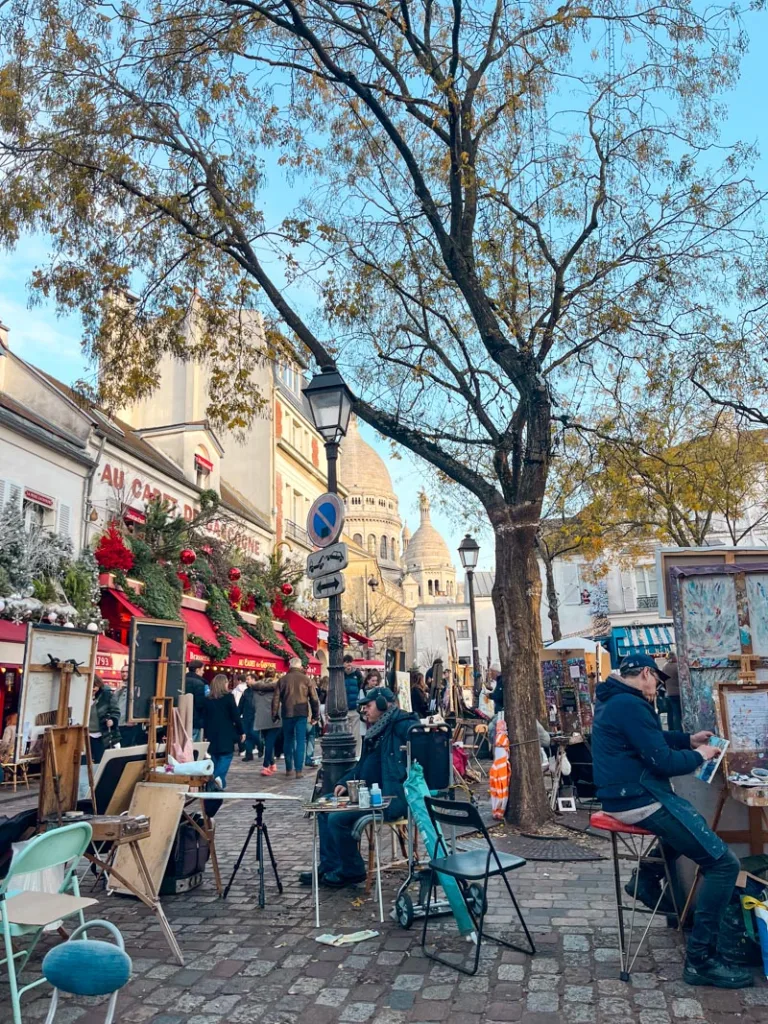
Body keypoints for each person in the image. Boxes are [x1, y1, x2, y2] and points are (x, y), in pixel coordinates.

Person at [592, 654, 751, 990]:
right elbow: (662, 761)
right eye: (657, 684)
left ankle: (646, 877)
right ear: (647, 674)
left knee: (691, 828)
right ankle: (701, 959)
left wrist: (688, 740)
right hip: (638, 798)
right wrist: (700, 756)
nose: (657, 691)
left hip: (624, 794)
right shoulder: (630, 704)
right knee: (723, 864)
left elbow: (650, 740)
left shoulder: (616, 700)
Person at [299, 687, 419, 888]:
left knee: (338, 819)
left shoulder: (402, 724)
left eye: (369, 706)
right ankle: (330, 865)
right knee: (323, 808)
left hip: (390, 797)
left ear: (383, 704)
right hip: (368, 793)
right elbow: (363, 765)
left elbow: (414, 744)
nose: (365, 711)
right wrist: (344, 782)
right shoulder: (375, 730)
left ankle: (352, 870)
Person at [272, 658, 319, 779]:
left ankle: (289, 769)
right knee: (300, 741)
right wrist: (315, 715)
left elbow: (276, 698)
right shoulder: (306, 679)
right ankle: (299, 770)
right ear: (300, 666)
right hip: (301, 713)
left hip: (287, 713)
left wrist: (274, 714)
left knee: (288, 740)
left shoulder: (282, 680)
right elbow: (314, 699)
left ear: (290, 666)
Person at [202, 673, 244, 789]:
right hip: (226, 732)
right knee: (226, 756)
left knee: (215, 757)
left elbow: (204, 717)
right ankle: (217, 779)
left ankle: (213, 785)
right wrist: (241, 731)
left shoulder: (207, 699)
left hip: (212, 732)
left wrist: (205, 733)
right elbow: (235, 716)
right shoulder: (228, 698)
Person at [88, 675, 121, 764]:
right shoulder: (83, 696)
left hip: (103, 735)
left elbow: (116, 711)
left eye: (94, 687)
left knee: (101, 762)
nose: (92, 690)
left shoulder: (107, 695)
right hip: (86, 735)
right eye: (90, 687)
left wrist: (112, 720)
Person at [254, 668, 281, 776]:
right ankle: (266, 766)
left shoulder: (256, 687)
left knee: (267, 741)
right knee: (270, 742)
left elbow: (253, 702)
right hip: (274, 716)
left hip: (261, 717)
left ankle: (272, 763)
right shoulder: (278, 686)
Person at [343, 654, 365, 757]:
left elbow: (361, 689)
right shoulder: (340, 674)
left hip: (355, 709)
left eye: (349, 662)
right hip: (344, 709)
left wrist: (359, 706)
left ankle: (356, 754)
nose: (348, 664)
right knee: (345, 734)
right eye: (346, 662)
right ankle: (347, 754)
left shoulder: (357, 673)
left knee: (356, 734)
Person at [239, 672, 261, 762]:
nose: (246, 681)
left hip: (256, 716)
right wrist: (237, 714)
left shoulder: (260, 691)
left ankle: (260, 746)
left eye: (248, 679)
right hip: (246, 716)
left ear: (254, 680)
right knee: (248, 735)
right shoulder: (245, 692)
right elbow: (241, 705)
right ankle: (249, 754)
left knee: (253, 733)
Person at [185, 660, 207, 741]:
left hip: (181, 718)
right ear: (197, 670)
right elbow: (200, 704)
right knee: (194, 747)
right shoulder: (200, 683)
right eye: (202, 670)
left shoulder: (181, 680)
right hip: (195, 720)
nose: (203, 672)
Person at [663, 653, 682, 732]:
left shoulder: (665, 667)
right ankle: (679, 730)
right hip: (677, 693)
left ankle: (671, 728)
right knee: (677, 713)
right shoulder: (677, 667)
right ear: (674, 658)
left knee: (670, 712)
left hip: (669, 693)